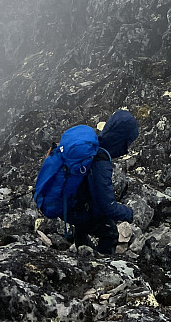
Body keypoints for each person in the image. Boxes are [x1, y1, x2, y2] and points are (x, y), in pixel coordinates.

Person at [68, 108, 139, 255]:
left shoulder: (93, 148)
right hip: (78, 209)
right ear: (120, 140)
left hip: (72, 204)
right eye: (127, 142)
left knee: (84, 224)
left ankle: (82, 252)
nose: (126, 149)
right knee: (109, 232)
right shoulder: (100, 161)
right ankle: (99, 266)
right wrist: (129, 214)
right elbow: (107, 206)